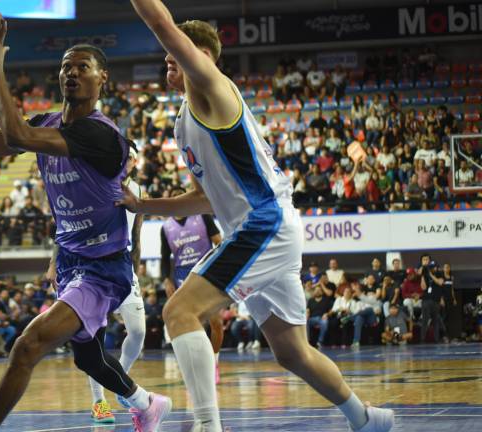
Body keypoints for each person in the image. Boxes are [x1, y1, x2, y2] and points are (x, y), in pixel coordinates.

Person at [123, 3, 394, 430]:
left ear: (203, 57)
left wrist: (162, 25)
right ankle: (365, 418)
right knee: (292, 353)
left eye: (175, 50)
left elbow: (159, 21)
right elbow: (204, 198)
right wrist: (144, 206)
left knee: (179, 313)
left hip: (263, 226)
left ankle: (208, 426)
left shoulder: (210, 86)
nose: (166, 57)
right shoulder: (184, 119)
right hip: (264, 230)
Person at [0, 20, 170, 431]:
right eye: (67, 66)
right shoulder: (47, 123)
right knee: (86, 356)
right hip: (70, 259)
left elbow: (15, 132)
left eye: (83, 66)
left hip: (103, 269)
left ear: (103, 78)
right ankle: (146, 403)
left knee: (27, 347)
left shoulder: (101, 135)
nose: (72, 72)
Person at [86, 144, 147, 424]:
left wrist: (135, 271)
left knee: (138, 331)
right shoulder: (97, 182)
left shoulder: (138, 190)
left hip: (124, 267)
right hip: (95, 266)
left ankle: (120, 381)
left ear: (134, 162)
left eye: (129, 158)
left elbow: (137, 232)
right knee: (94, 337)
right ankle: (99, 401)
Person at [160, 186, 223, 378]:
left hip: (206, 274)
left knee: (216, 323)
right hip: (182, 277)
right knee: (190, 325)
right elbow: (165, 257)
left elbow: (219, 241)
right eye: (174, 196)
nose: (178, 199)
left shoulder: (202, 216)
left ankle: (214, 363)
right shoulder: (166, 227)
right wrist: (166, 279)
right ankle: (197, 366)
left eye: (181, 196)